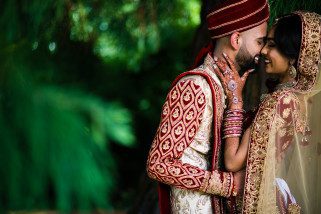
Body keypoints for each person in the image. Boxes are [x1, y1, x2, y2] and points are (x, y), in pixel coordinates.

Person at [146, 0, 269, 213]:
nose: (264, 50)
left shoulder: (224, 88)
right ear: (236, 39)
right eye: (260, 42)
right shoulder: (194, 87)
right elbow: (158, 164)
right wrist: (229, 184)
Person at [213, 11, 321, 213]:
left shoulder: (280, 102)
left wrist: (235, 101)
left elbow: (232, 161)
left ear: (292, 57)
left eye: (271, 45)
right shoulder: (303, 101)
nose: (262, 51)